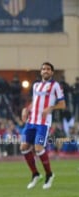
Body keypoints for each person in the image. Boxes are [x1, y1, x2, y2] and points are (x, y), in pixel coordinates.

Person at [20, 62, 66, 190]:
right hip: (31, 121)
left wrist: (51, 107)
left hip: (43, 122)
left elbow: (62, 104)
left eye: (48, 69)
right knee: (23, 147)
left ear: (52, 72)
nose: (45, 71)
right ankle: (35, 174)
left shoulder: (55, 86)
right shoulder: (36, 85)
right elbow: (34, 102)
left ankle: (49, 174)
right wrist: (26, 109)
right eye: (43, 69)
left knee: (38, 148)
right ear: (41, 72)